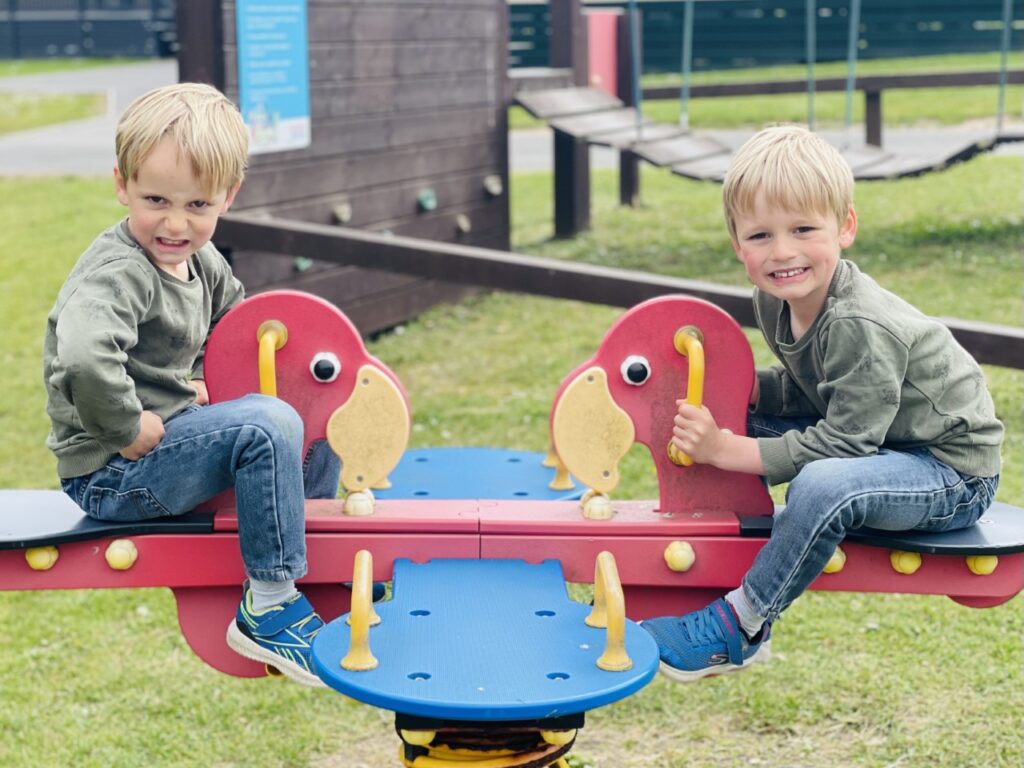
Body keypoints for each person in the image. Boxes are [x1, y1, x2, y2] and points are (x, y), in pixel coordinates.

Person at [642, 125, 1003, 683]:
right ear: (738, 244)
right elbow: (820, 389)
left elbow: (846, 442)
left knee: (822, 484)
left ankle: (741, 625)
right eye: (760, 236)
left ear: (846, 227)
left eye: (804, 229)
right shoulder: (775, 300)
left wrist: (728, 449)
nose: (782, 252)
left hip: (949, 471)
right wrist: (746, 392)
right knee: (737, 412)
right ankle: (729, 553)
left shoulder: (857, 322)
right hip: (883, 438)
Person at [42, 83, 340, 687]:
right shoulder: (120, 272)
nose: (175, 223)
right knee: (267, 423)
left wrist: (208, 378)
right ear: (122, 184)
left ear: (227, 198)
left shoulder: (203, 264)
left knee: (315, 416)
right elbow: (82, 355)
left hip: (166, 444)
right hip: (112, 473)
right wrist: (125, 427)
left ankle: (317, 557)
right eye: (155, 199)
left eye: (197, 206)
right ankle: (271, 604)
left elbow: (232, 330)